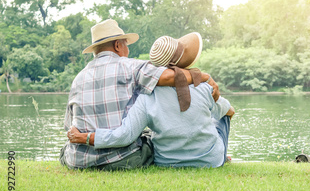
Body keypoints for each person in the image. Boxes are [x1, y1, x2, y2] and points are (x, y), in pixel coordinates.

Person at [60, 19, 219, 170]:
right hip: (121, 158)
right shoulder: (130, 67)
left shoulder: (78, 78)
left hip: (79, 160)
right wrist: (203, 76)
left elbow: (70, 127)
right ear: (117, 45)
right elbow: (169, 76)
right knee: (148, 138)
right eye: (126, 45)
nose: (127, 50)